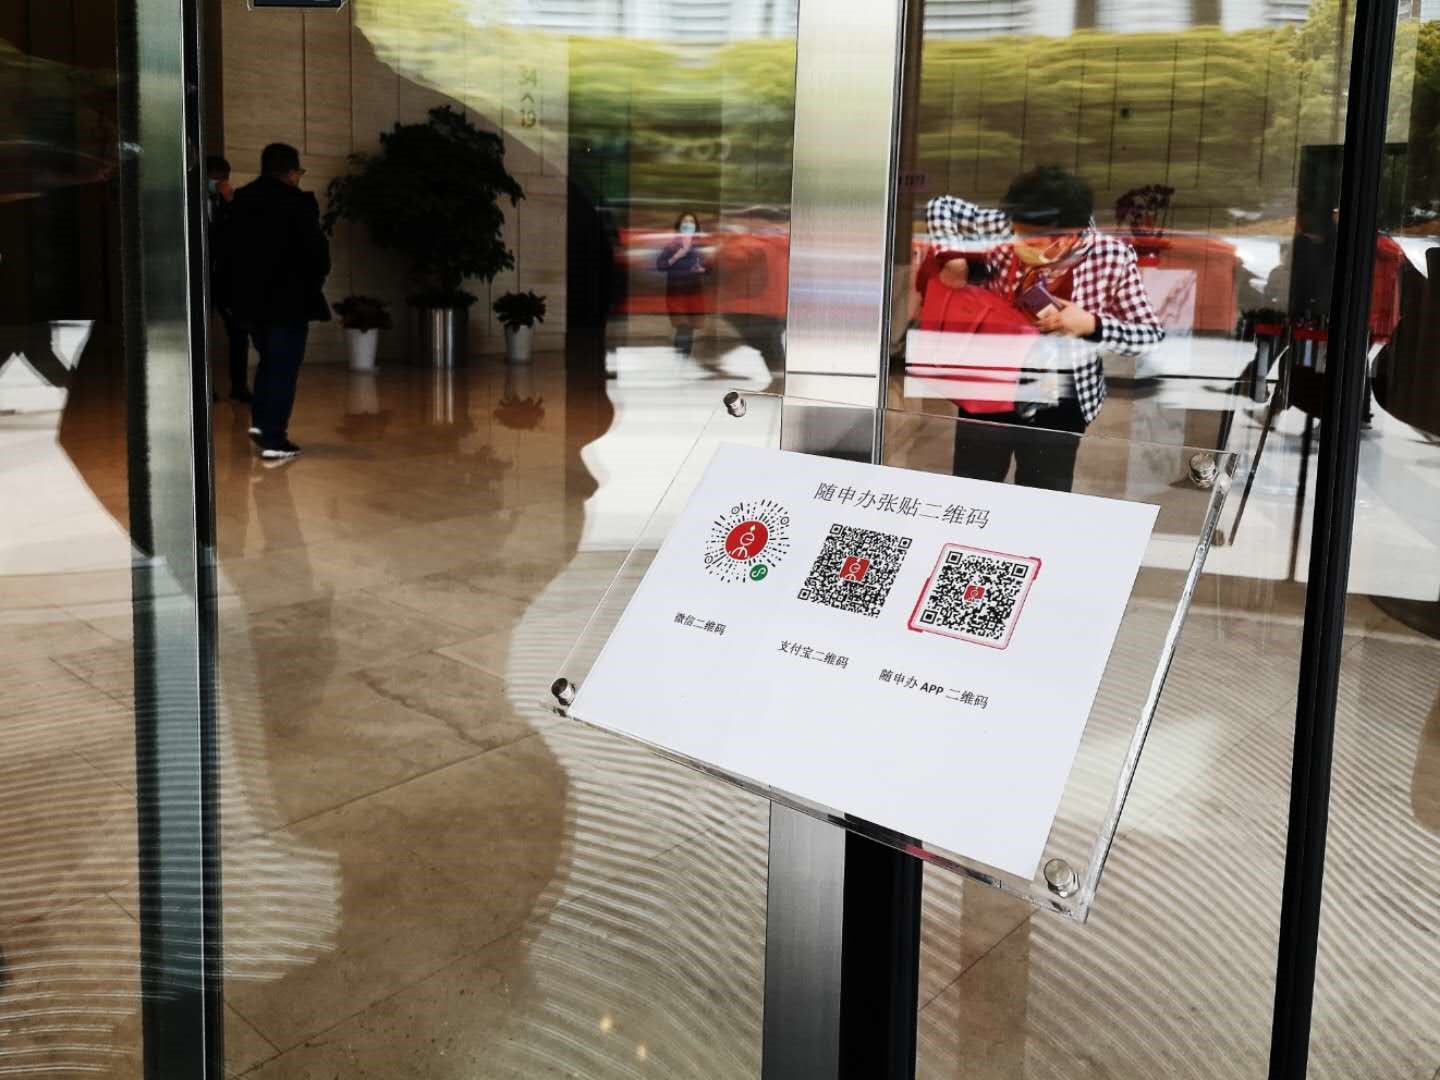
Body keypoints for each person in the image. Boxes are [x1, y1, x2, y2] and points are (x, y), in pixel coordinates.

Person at [926, 165, 1163, 491]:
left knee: (1043, 494)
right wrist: (952, 258)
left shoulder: (1112, 258)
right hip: (990, 382)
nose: (1019, 242)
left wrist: (1091, 325)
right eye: (1018, 233)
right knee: (973, 486)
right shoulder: (1005, 224)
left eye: (1031, 238)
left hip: (1060, 395)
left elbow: (1149, 336)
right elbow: (941, 205)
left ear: (1066, 236)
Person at [225, 143, 330, 460]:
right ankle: (273, 437)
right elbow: (317, 256)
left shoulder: (241, 200)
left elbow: (226, 250)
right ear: (291, 172)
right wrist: (312, 283)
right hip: (289, 300)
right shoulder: (297, 203)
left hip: (250, 301)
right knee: (282, 368)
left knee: (268, 363)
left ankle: (262, 427)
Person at [206, 155, 252, 403]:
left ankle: (239, 385)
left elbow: (242, 231)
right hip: (202, 278)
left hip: (228, 278)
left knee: (238, 331)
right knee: (202, 333)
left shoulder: (232, 203)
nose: (219, 182)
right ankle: (205, 387)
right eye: (214, 178)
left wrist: (231, 202)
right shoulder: (191, 203)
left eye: (222, 178)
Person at [656, 211, 707, 357]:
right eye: (685, 221)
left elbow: (710, 267)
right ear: (680, 225)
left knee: (689, 328)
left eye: (691, 222)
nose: (688, 224)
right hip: (676, 291)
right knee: (683, 326)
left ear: (696, 226)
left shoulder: (700, 245)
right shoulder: (672, 245)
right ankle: (681, 358)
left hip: (694, 291)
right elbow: (660, 266)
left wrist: (702, 269)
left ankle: (683, 358)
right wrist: (676, 256)